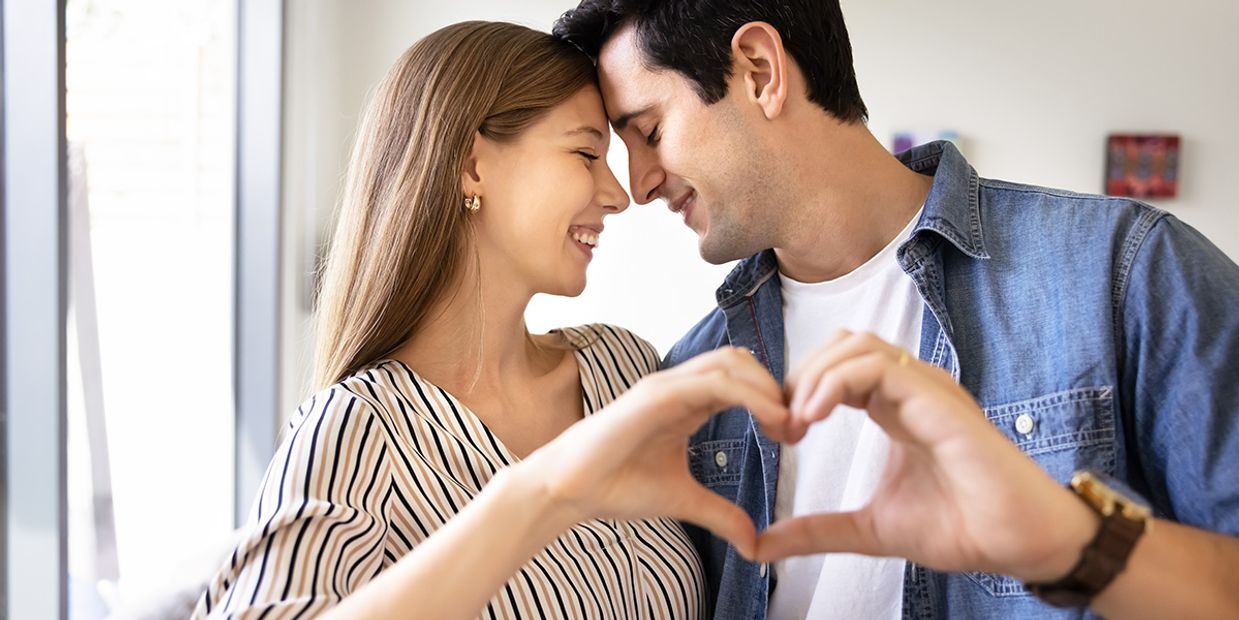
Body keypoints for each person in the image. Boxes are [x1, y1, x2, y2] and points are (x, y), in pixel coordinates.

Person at [554, 1, 1239, 618]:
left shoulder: (1124, 270)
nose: (638, 184)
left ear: (760, 70)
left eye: (647, 132)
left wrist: (1070, 543)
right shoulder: (692, 374)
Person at [193, 21, 798, 619]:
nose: (619, 194)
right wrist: (542, 493)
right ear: (472, 165)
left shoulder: (627, 369)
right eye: (586, 153)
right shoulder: (358, 432)